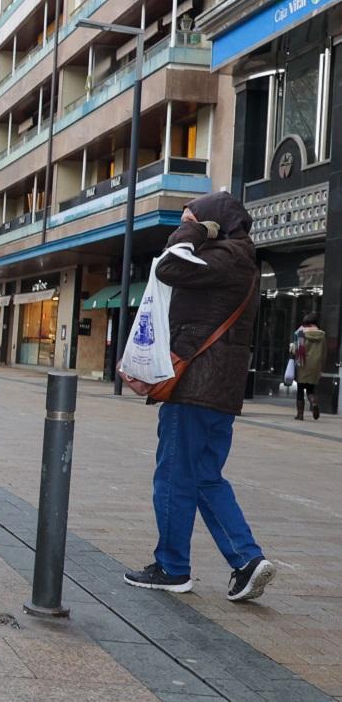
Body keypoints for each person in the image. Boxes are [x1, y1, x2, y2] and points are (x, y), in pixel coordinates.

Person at [123, 191, 275, 602]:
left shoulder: (225, 255)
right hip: (217, 391)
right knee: (205, 475)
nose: (185, 223)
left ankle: (172, 568)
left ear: (215, 222)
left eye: (192, 217)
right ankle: (246, 561)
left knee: (173, 475)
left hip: (195, 387)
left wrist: (192, 229)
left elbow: (169, 266)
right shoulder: (235, 258)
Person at [292, 313, 326, 420]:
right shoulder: (322, 335)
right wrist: (321, 366)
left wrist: (291, 348)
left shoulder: (300, 333)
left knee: (300, 389)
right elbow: (324, 353)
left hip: (302, 364)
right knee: (311, 389)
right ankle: (314, 402)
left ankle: (300, 414)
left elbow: (296, 350)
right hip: (315, 365)